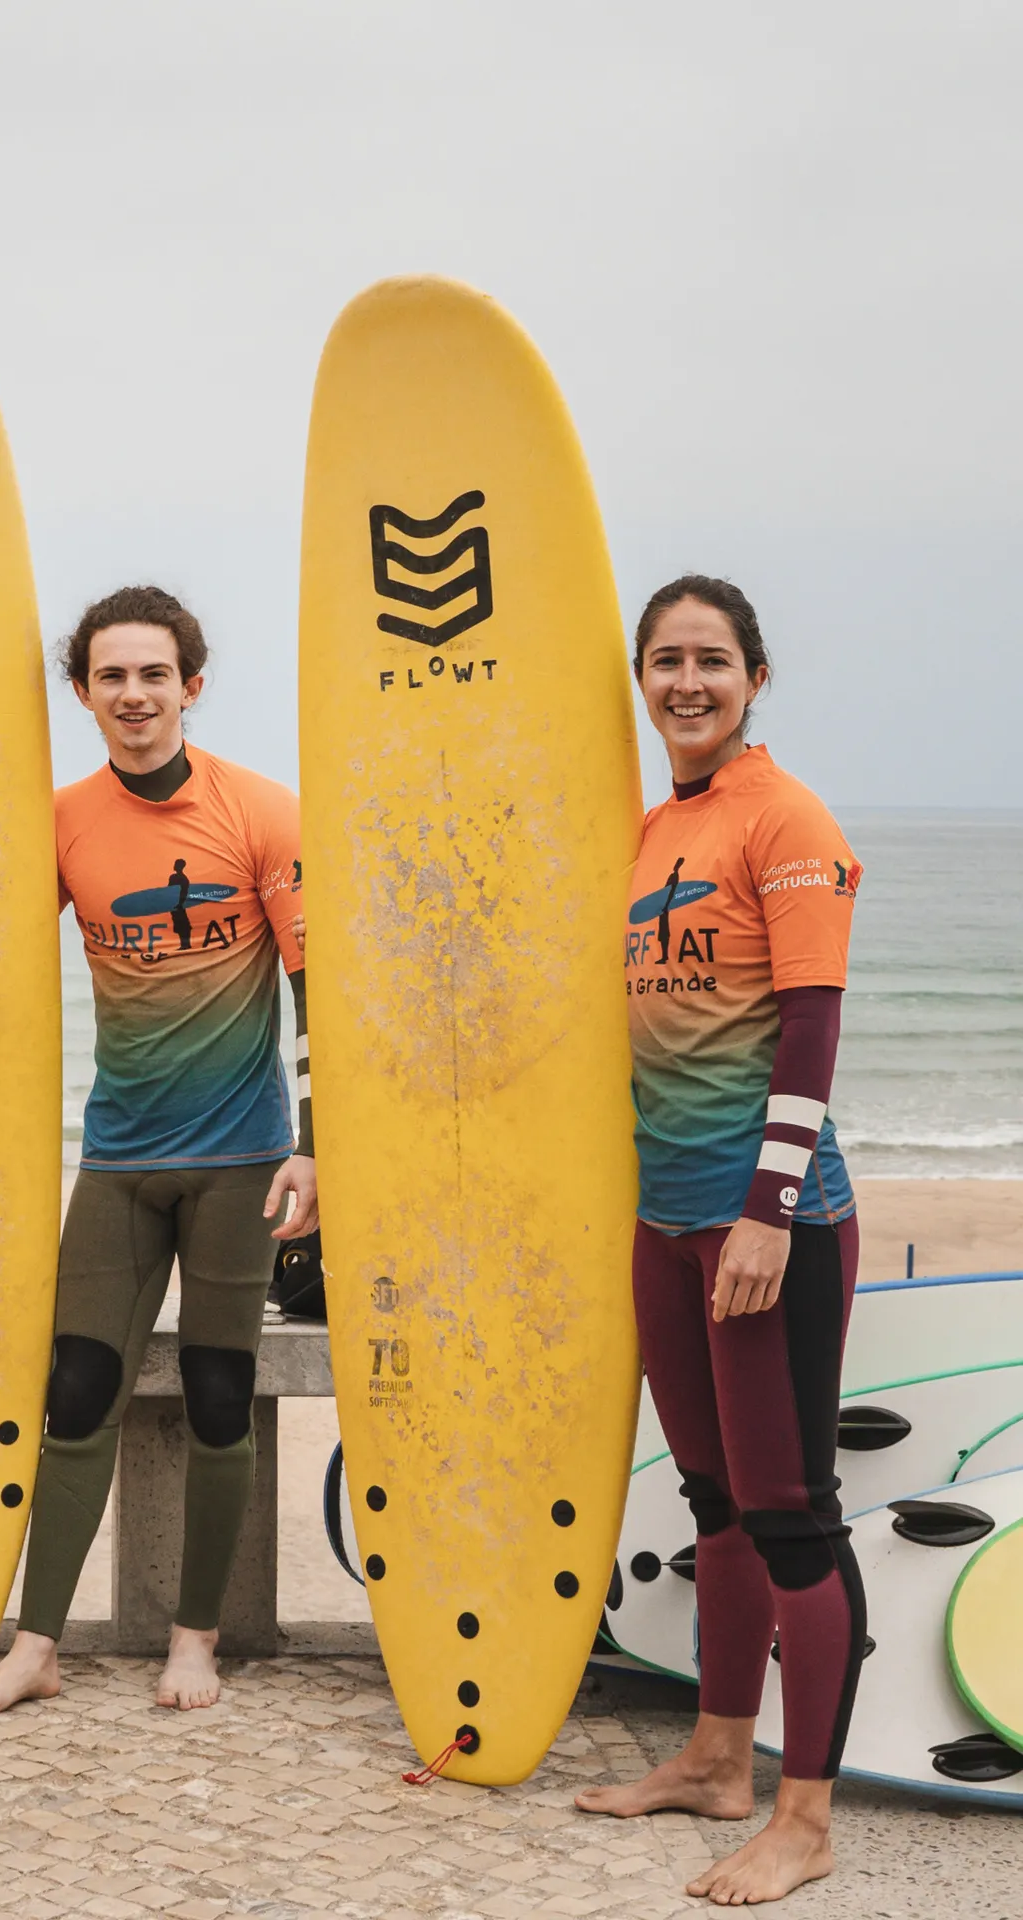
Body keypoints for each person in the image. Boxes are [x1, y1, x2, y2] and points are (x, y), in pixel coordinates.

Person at [0, 584, 314, 1721]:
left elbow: (322, 998)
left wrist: (316, 1150)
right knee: (77, 1388)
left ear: (191, 686)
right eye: (113, 676)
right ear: (83, 692)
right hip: (116, 1158)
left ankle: (193, 1641)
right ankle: (37, 1643)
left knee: (216, 1393)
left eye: (155, 674)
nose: (135, 694)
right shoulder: (59, 821)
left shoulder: (261, 813)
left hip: (242, 1158)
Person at [576, 577, 864, 1907]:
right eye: (664, 662)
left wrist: (764, 1210)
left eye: (710, 659)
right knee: (711, 1503)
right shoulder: (649, 834)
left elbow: (808, 1025)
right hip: (665, 1217)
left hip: (771, 1221)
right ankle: (714, 1757)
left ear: (753, 674)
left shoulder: (785, 817)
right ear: (640, 680)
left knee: (791, 1514)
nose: (685, 682)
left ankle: (803, 1822)